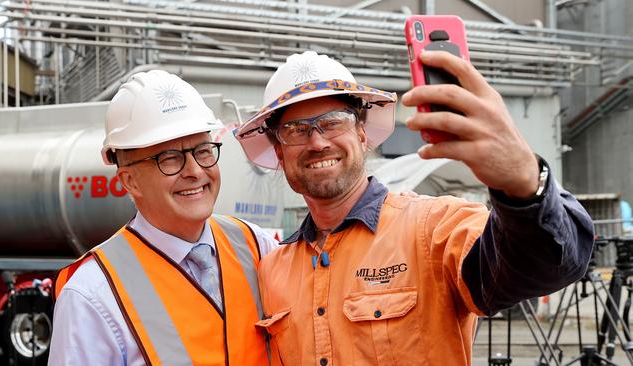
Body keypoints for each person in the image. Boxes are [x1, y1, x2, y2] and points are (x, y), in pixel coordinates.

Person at [235, 50, 594, 365]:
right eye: (296, 130)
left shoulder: (435, 229)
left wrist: (524, 185)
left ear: (361, 132)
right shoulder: (271, 271)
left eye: (333, 123)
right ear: (279, 152)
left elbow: (544, 266)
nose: (317, 142)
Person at [49, 70, 275, 365]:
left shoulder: (256, 246)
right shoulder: (93, 294)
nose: (195, 170)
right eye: (170, 158)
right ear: (129, 181)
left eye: (203, 151)